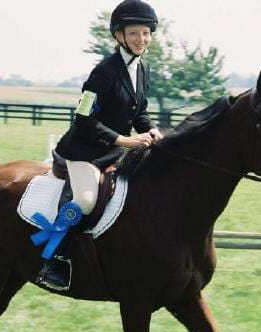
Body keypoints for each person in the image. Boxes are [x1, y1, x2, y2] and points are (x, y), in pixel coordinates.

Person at [36, 0, 163, 290]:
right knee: (85, 200)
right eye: (133, 33)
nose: (141, 39)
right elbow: (83, 118)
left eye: (145, 33)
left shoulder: (143, 69)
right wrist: (123, 139)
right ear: (119, 35)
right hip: (84, 151)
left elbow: (139, 112)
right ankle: (54, 258)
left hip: (116, 151)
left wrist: (152, 130)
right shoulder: (103, 72)